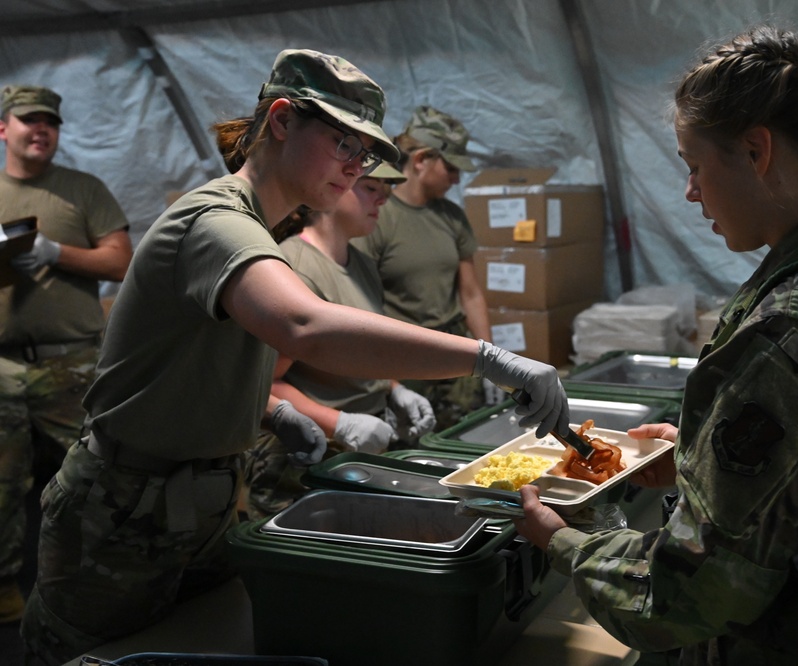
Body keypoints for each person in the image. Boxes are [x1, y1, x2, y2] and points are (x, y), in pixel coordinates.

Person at [19, 49, 569, 664]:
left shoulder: (263, 231)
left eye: (365, 154)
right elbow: (303, 326)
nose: (356, 166)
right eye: (343, 144)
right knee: (84, 656)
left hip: (197, 499)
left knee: (188, 644)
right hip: (122, 504)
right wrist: (490, 358)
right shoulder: (215, 220)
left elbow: (193, 361)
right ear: (282, 120)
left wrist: (267, 411)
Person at [513, 25, 798, 665]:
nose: (690, 193)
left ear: (757, 151)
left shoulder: (797, 322)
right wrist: (700, 458)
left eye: (695, 168)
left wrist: (562, 541)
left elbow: (689, 597)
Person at [0, 85, 132, 626]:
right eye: (28, 120)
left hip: (72, 361)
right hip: (1, 363)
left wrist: (56, 253)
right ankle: (4, 590)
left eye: (49, 122)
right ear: (3, 128)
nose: (41, 130)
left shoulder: (82, 191)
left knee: (96, 474)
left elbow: (121, 262)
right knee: (2, 483)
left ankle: (100, 580)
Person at [244, 161, 439, 520]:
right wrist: (341, 423)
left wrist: (394, 390)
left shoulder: (362, 265)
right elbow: (265, 384)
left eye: (386, 193)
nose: (382, 201)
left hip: (358, 447)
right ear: (331, 191)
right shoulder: (294, 268)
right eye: (371, 189)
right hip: (306, 454)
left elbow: (362, 351)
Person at [353, 105, 502, 430]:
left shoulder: (451, 216)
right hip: (404, 360)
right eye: (450, 168)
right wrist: (389, 384)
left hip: (454, 357)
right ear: (421, 160)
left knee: (463, 442)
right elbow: (361, 306)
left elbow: (471, 294)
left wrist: (491, 361)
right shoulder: (376, 216)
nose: (457, 178)